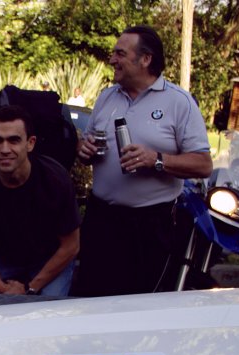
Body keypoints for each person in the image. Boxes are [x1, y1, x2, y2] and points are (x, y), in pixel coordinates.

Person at [75, 25, 212, 296]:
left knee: (136, 303)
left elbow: (204, 165)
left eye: (120, 54)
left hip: (149, 225)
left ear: (145, 59)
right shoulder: (107, 97)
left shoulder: (179, 102)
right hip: (101, 219)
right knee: (88, 298)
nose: (112, 60)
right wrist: (84, 151)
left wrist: (156, 159)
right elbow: (87, 145)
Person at [0, 105, 80, 296]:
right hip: (2, 259)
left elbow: (71, 246)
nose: (5, 149)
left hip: (50, 259)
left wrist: (29, 288)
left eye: (14, 140)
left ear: (30, 143)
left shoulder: (55, 180)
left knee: (48, 313)